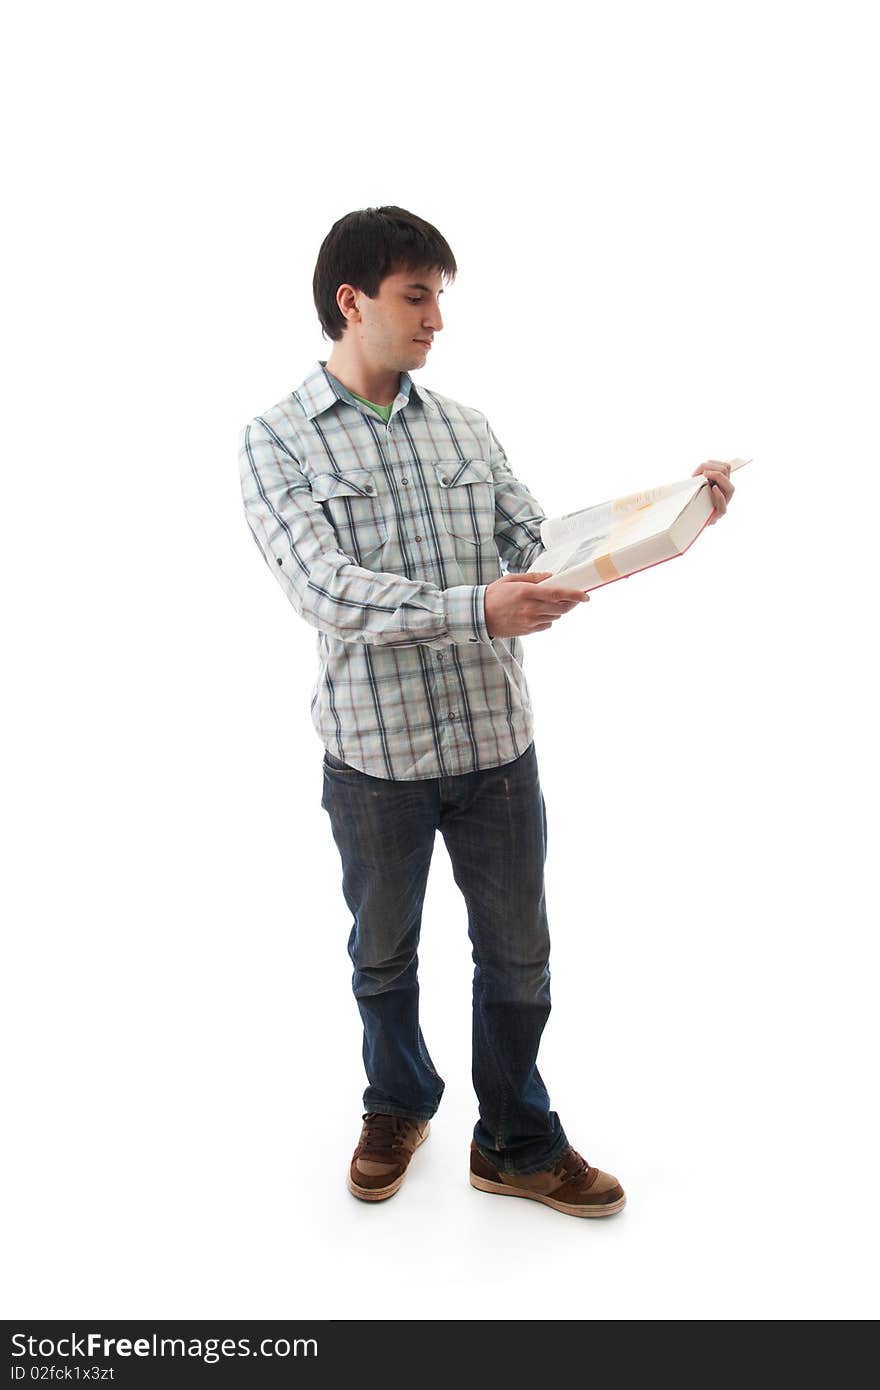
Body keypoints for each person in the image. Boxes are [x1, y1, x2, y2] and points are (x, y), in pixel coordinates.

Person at [238, 205, 734, 1219]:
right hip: (373, 760)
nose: (435, 320)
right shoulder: (274, 441)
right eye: (417, 296)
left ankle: (513, 1139)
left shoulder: (464, 424)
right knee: (382, 950)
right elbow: (322, 589)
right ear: (352, 300)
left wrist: (673, 508)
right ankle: (399, 1099)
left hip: (494, 747)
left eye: (439, 299)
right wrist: (477, 608)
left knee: (517, 951)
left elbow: (539, 540)